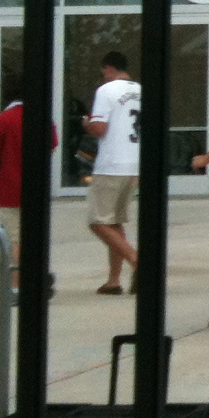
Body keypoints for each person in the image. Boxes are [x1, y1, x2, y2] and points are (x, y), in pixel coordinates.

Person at [0, 77, 56, 289]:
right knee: (32, 237)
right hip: (37, 189)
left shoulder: (3, 120)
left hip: (9, 190)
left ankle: (16, 287)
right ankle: (35, 278)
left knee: (12, 239)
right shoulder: (44, 119)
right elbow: (52, 147)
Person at [84, 51, 142, 295]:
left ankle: (135, 259)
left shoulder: (106, 91)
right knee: (114, 222)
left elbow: (99, 128)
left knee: (97, 222)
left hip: (111, 164)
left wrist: (85, 123)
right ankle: (114, 280)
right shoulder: (140, 90)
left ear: (108, 69)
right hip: (134, 163)